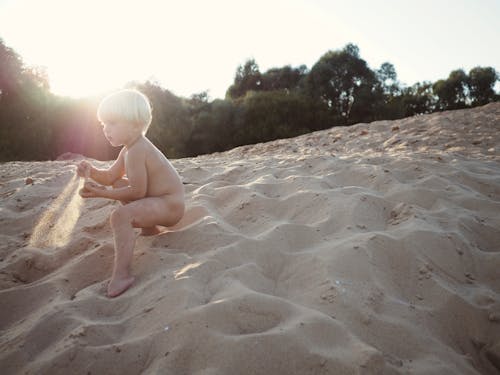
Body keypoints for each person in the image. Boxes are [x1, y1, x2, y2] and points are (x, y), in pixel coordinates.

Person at [76, 89, 185, 298]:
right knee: (117, 182)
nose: (106, 129)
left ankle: (122, 274)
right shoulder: (128, 149)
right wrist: (91, 172)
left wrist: (101, 193)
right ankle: (150, 229)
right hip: (158, 201)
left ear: (135, 124)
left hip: (169, 205)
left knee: (119, 216)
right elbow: (109, 177)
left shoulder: (137, 150)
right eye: (103, 124)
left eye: (112, 123)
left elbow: (137, 192)